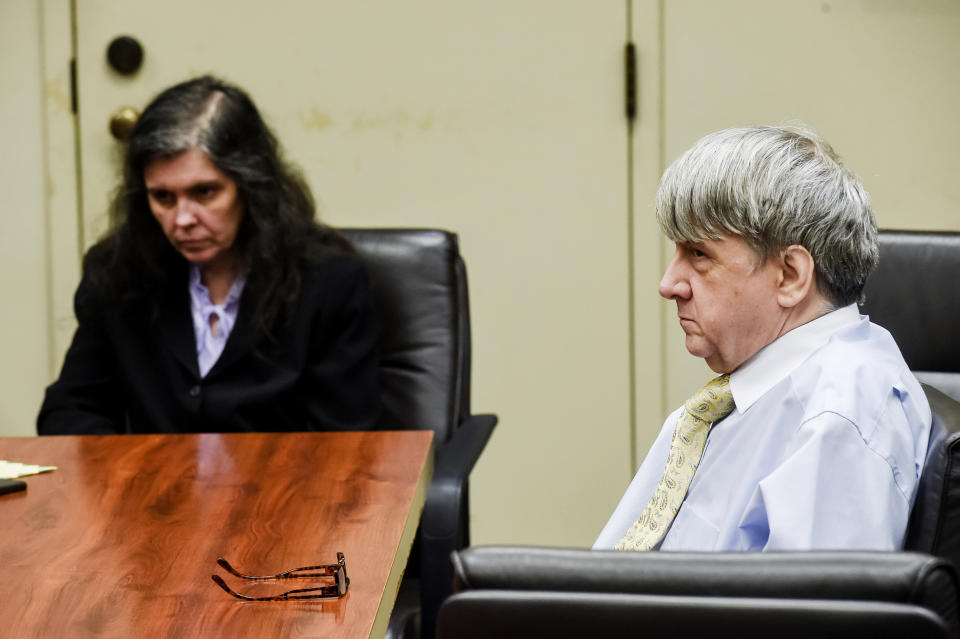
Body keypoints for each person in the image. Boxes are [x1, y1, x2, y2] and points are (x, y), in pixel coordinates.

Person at [595, 125, 931, 551]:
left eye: (698, 254)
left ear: (790, 276)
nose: (668, 284)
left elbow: (805, 615)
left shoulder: (839, 419)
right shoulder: (748, 393)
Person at [38, 76, 381, 434]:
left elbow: (348, 438)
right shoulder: (120, 271)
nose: (182, 220)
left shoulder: (329, 280)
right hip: (148, 487)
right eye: (163, 197)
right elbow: (72, 410)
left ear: (251, 185)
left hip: (282, 487)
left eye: (204, 192)